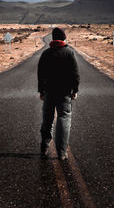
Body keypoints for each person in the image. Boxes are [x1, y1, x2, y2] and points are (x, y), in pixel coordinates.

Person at [37, 27, 80, 160]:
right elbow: (75, 74)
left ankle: (44, 147)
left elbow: (40, 74)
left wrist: (41, 91)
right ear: (63, 38)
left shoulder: (46, 54)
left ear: (53, 39)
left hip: (49, 92)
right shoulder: (69, 53)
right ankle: (61, 152)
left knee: (47, 119)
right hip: (64, 93)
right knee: (64, 119)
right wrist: (75, 90)